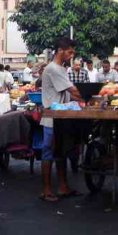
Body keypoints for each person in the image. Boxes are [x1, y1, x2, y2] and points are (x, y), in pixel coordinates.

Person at [39, 37, 83, 202]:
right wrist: (90, 95)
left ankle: (63, 187)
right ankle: (45, 190)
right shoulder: (54, 69)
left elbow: (70, 92)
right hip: (52, 118)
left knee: (61, 152)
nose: (72, 56)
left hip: (62, 116)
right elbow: (74, 91)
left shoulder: (61, 69)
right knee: (49, 152)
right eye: (70, 52)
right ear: (60, 50)